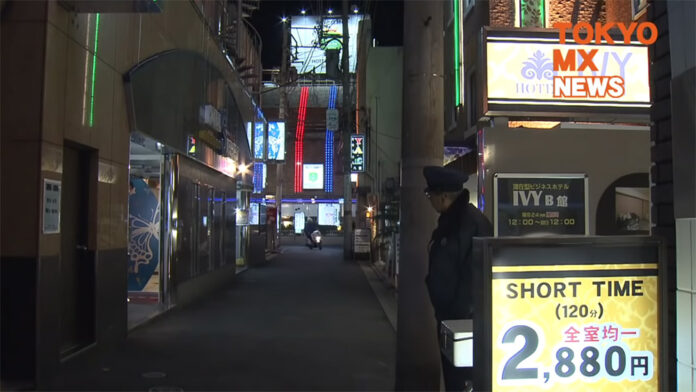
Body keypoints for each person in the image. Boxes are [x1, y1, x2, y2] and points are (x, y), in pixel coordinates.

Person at [422, 166, 492, 392]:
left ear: (442, 196)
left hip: (463, 323)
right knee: (453, 378)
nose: (429, 200)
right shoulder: (451, 220)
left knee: (463, 381)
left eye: (429, 195)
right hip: (450, 320)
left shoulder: (470, 222)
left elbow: (474, 277)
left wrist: (456, 313)